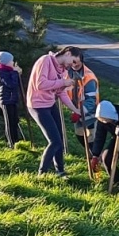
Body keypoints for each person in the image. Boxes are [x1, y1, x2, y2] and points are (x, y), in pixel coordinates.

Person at [27, 46, 80, 176]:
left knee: (60, 139)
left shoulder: (63, 71)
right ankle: (42, 174)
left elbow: (61, 93)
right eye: (73, 61)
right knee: (54, 141)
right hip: (37, 105)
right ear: (67, 53)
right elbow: (41, 84)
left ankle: (60, 171)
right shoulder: (46, 60)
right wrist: (62, 82)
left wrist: (76, 110)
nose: (72, 66)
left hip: (50, 104)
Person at [67, 57, 101, 171]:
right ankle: (91, 157)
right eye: (73, 62)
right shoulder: (68, 72)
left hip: (89, 114)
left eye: (77, 62)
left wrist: (80, 113)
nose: (75, 64)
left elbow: (91, 101)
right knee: (80, 136)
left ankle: (96, 165)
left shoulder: (89, 78)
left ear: (82, 61)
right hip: (77, 112)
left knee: (91, 140)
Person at [0, 50, 23, 145]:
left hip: (12, 100)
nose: (13, 62)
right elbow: (11, 84)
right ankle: (11, 142)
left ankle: (16, 141)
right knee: (9, 122)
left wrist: (15, 73)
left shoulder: (8, 71)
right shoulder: (1, 72)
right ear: (6, 62)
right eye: (11, 61)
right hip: (6, 100)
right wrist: (15, 73)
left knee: (15, 120)